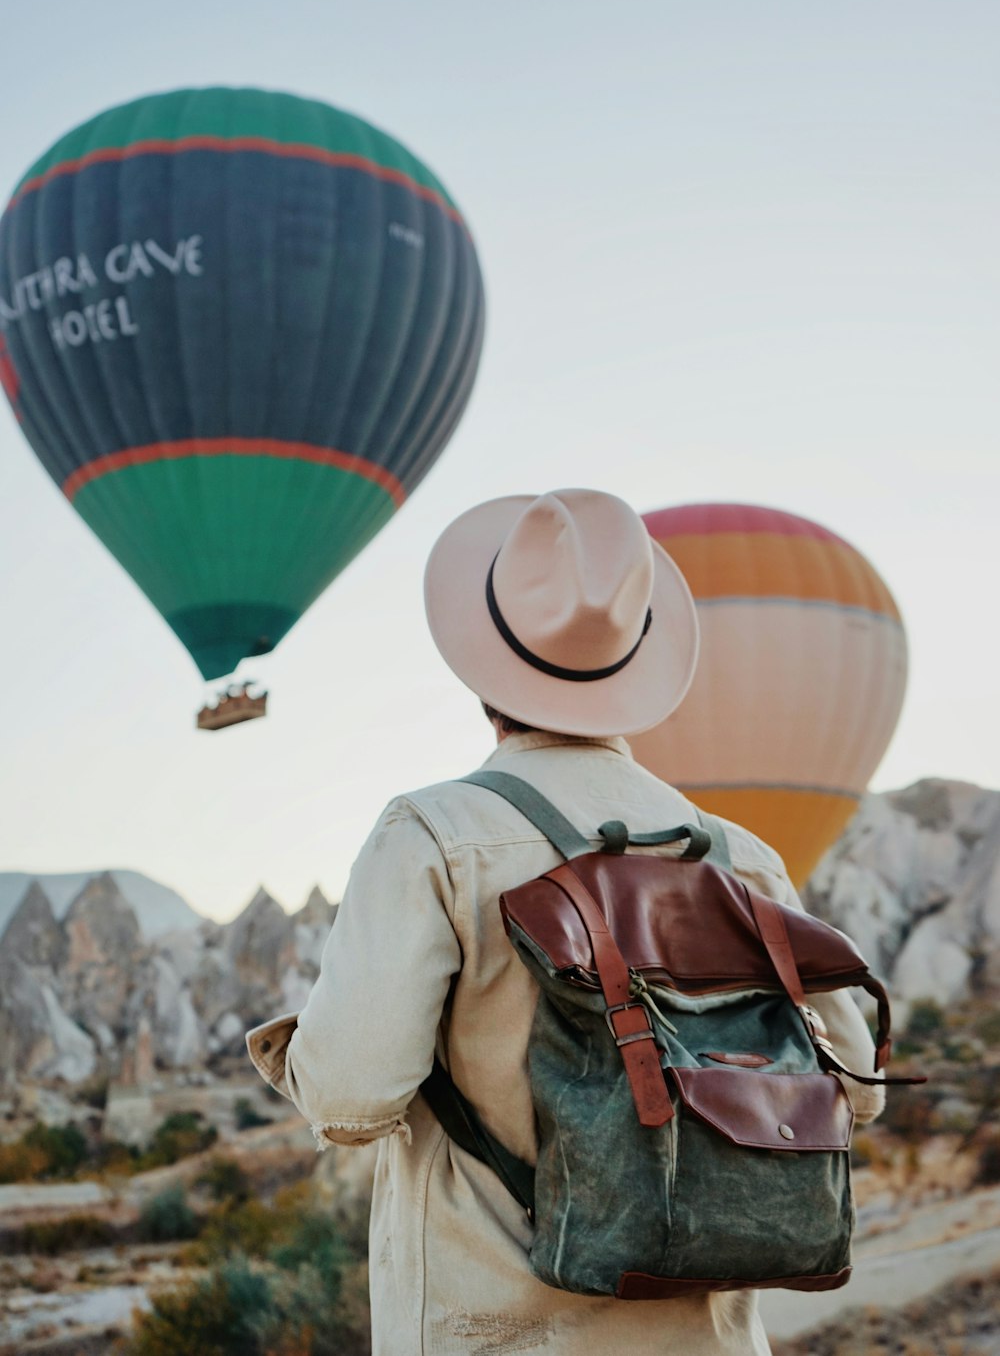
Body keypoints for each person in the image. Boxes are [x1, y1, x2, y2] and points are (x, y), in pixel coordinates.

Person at [248, 488, 884, 1356]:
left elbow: (354, 1097)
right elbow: (860, 1090)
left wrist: (296, 1050)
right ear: (637, 666)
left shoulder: (434, 837)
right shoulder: (742, 859)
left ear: (481, 673)